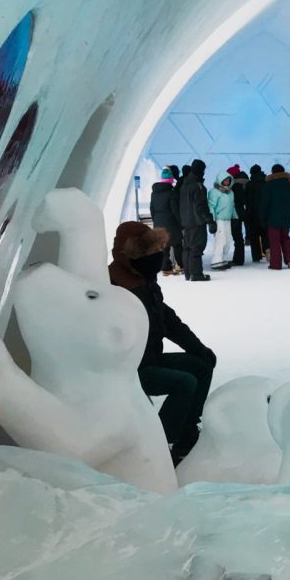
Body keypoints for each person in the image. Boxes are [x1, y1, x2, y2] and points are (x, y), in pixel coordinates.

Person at [108, 221, 217, 465]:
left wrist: (198, 348)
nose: (156, 258)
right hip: (128, 371)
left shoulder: (145, 282)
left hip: (151, 360)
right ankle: (160, 445)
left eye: (158, 251)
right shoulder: (113, 286)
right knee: (184, 382)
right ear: (131, 255)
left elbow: (169, 321)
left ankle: (186, 433)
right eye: (150, 252)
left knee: (201, 366)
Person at [178, 159, 217, 282]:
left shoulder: (184, 185)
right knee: (197, 247)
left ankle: (188, 273)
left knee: (187, 248)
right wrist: (210, 220)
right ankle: (196, 274)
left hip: (186, 221)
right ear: (201, 170)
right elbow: (201, 206)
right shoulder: (197, 186)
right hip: (196, 222)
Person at [149, 167, 184, 276]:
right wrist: (181, 222)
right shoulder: (172, 193)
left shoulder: (154, 193)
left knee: (164, 246)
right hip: (171, 222)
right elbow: (175, 210)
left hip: (158, 222)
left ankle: (166, 268)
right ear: (171, 180)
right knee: (177, 244)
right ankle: (181, 265)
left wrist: (156, 220)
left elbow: (152, 209)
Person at [262, 163, 290, 270]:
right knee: (285, 238)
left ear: (273, 172)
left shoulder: (269, 185)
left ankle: (276, 264)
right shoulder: (289, 184)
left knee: (274, 241)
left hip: (273, 217)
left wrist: (263, 216)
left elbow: (265, 203)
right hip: (286, 216)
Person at [207, 171, 236, 271]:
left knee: (228, 240)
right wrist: (212, 221)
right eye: (225, 180)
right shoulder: (214, 192)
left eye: (228, 180)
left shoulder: (230, 192)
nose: (227, 182)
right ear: (220, 180)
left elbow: (232, 206)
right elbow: (211, 207)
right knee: (220, 239)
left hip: (227, 220)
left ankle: (223, 259)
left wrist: (235, 217)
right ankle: (216, 260)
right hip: (219, 220)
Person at [245, 164, 267, 263]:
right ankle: (267, 250)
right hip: (264, 213)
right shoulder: (266, 182)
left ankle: (256, 256)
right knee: (265, 234)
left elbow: (247, 199)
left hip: (252, 213)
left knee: (254, 236)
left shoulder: (249, 184)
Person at [228, 164, 249, 266]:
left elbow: (234, 200)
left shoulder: (235, 186)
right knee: (238, 236)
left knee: (237, 236)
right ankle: (239, 259)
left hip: (236, 213)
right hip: (243, 211)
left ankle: (238, 259)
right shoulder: (245, 183)